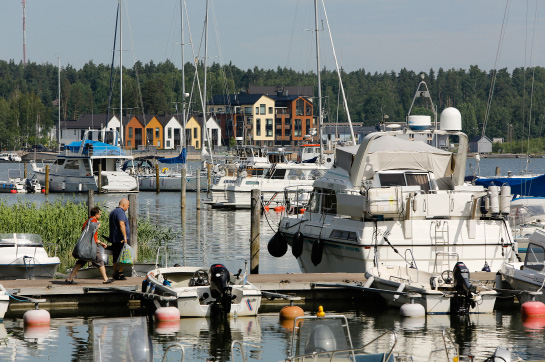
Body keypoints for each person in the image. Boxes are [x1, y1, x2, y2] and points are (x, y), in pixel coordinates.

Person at [66, 206, 112, 284]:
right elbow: (93, 237)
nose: (100, 216)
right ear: (96, 214)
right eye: (100, 214)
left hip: (85, 246)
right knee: (100, 261)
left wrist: (101, 242)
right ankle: (105, 279)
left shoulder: (87, 222)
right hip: (92, 246)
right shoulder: (94, 222)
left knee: (81, 261)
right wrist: (97, 227)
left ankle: (69, 278)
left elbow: (86, 234)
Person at [109, 198, 130, 280]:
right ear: (123, 205)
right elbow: (121, 223)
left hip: (115, 238)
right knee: (126, 256)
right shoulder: (120, 212)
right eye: (127, 206)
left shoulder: (113, 212)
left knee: (116, 256)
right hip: (120, 239)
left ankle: (115, 273)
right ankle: (119, 272)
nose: (128, 207)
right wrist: (124, 236)